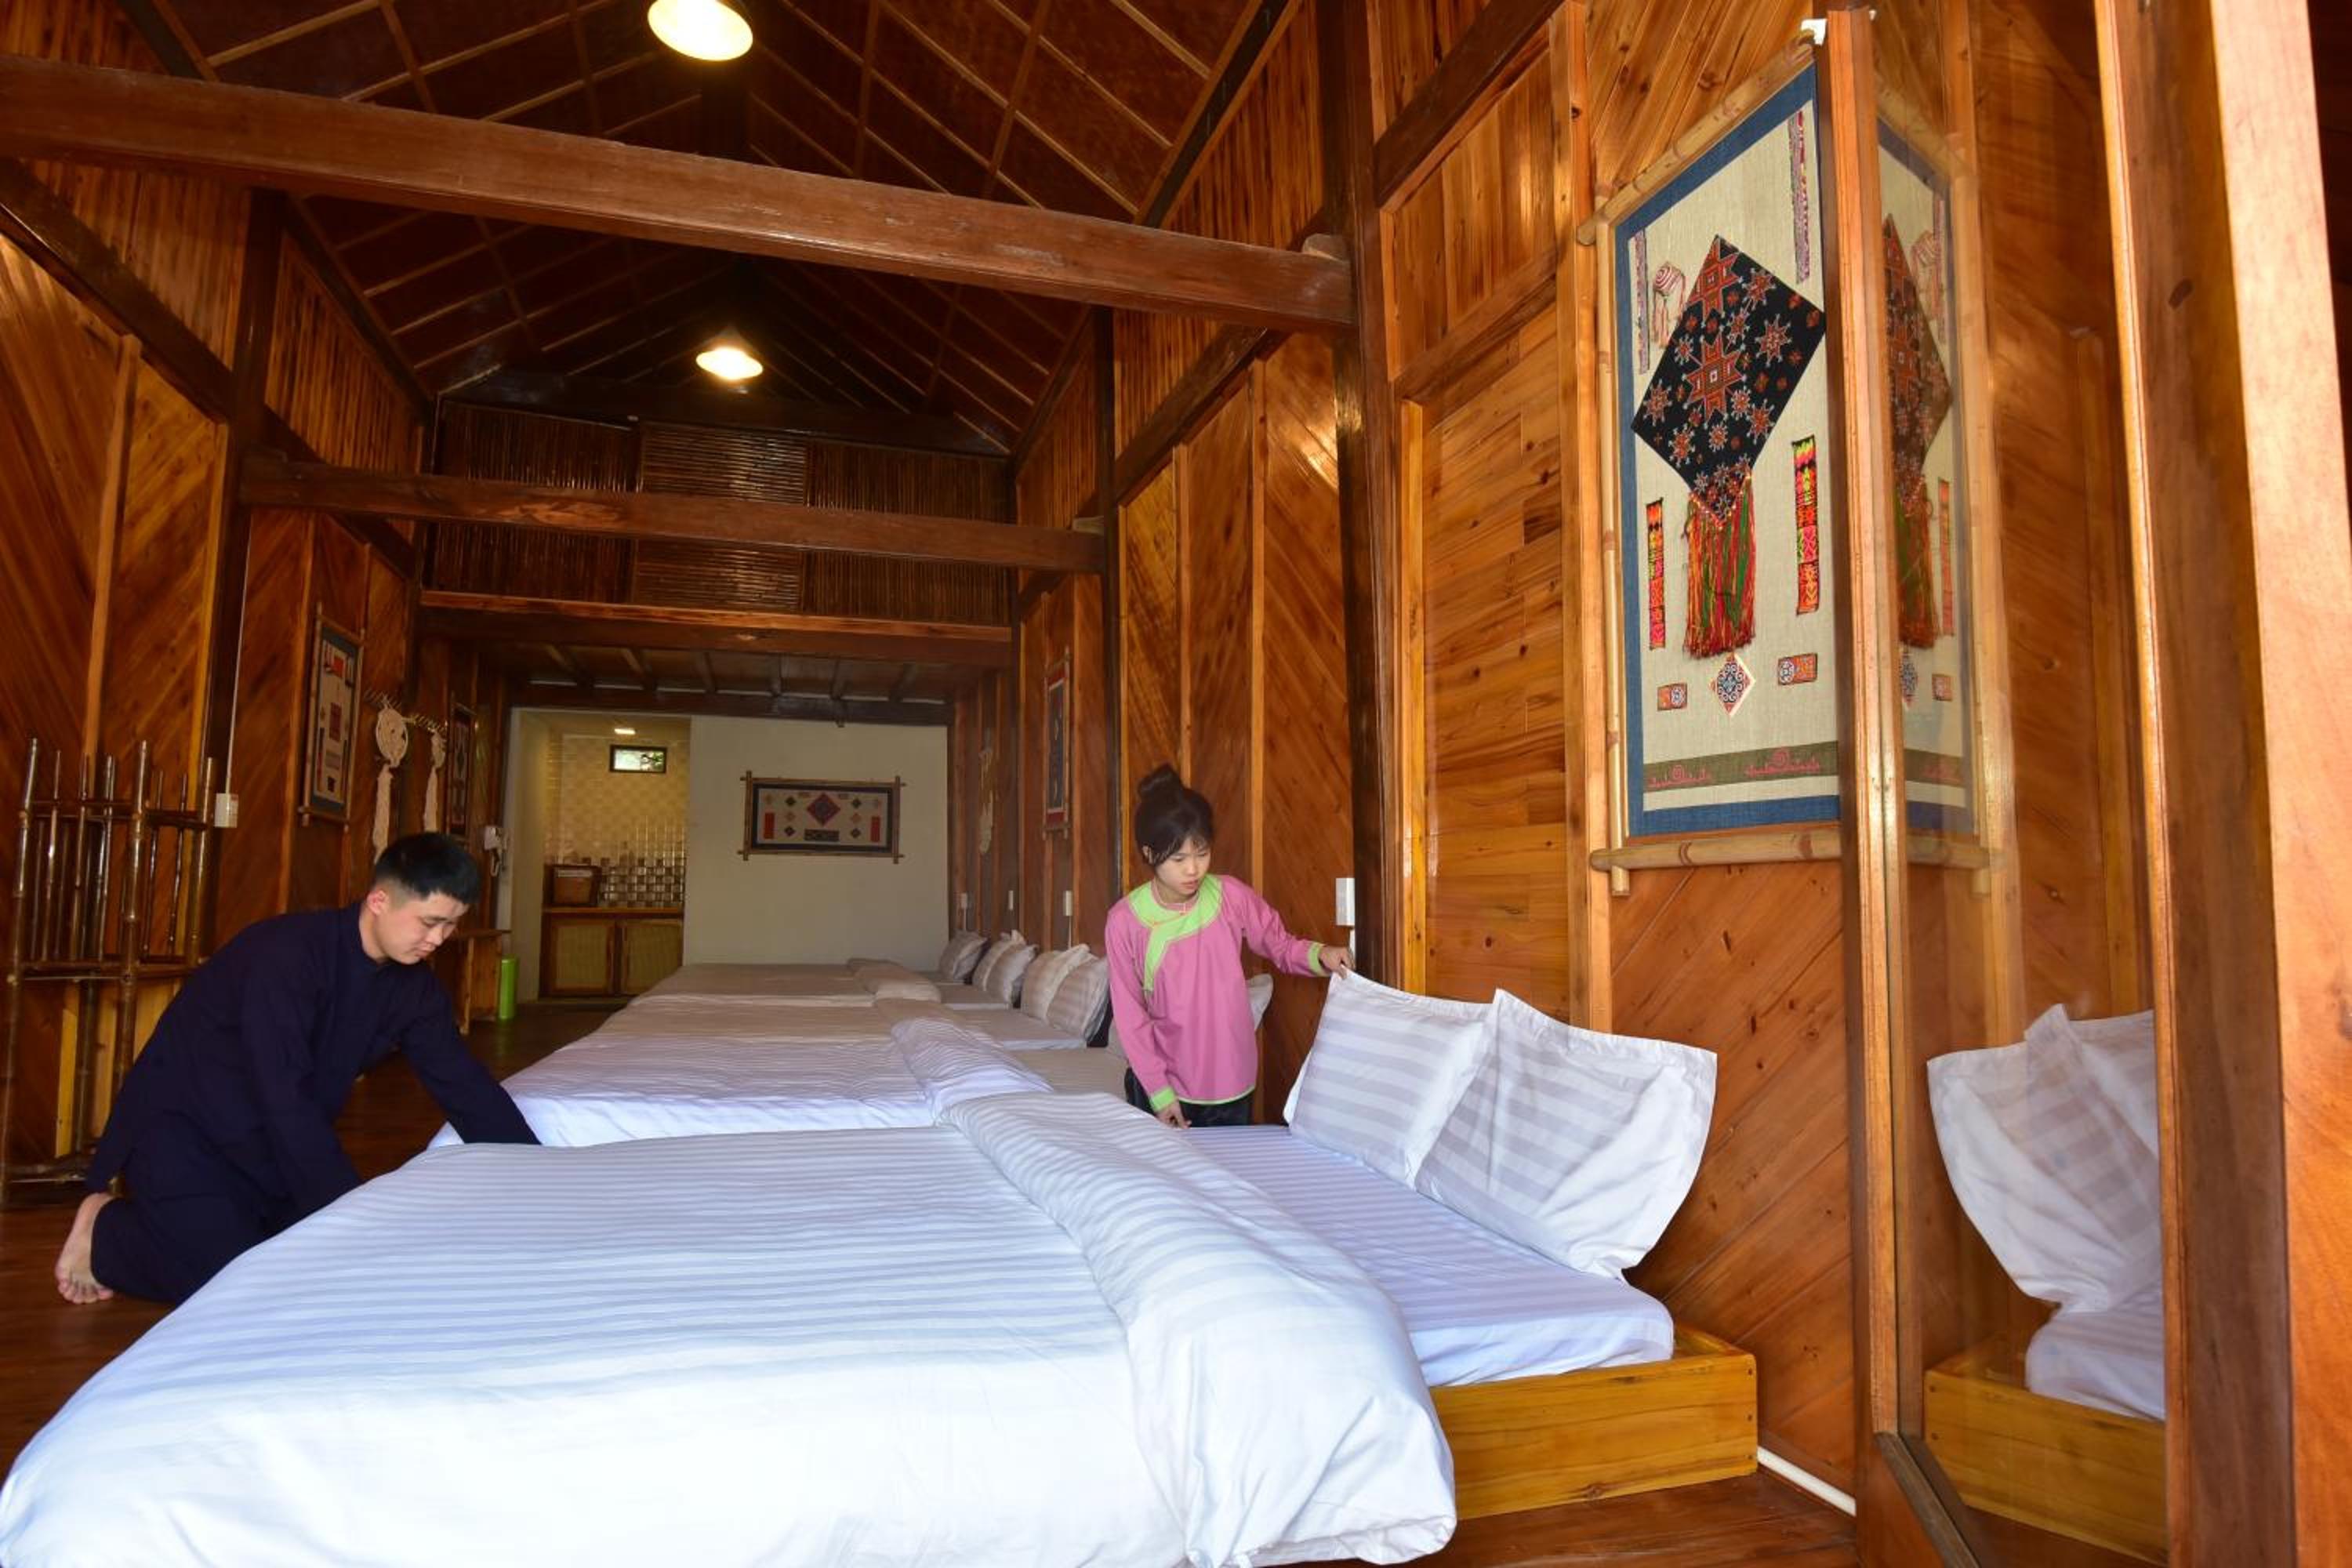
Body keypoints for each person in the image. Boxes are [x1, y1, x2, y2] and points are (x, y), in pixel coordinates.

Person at [52, 833, 539, 1306]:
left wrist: (536, 1170)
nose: (438, 940)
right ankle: (106, 1229)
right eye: (429, 922)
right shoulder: (285, 955)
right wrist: (352, 1213)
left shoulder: (413, 986)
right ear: (379, 901)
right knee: (235, 1283)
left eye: (450, 926)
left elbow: (462, 1083)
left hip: (268, 1140)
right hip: (184, 1130)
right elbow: (283, 1092)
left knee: (303, 1270)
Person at [1104, 766, 1352, 1128]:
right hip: (1166, 1086)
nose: (1193, 870)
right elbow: (1131, 1017)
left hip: (1233, 1080)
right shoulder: (1125, 920)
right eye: (1178, 859)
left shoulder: (1231, 896)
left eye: (1202, 853)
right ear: (1149, 853)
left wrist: (1321, 955)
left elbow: (1280, 945)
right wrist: (1159, 1093)